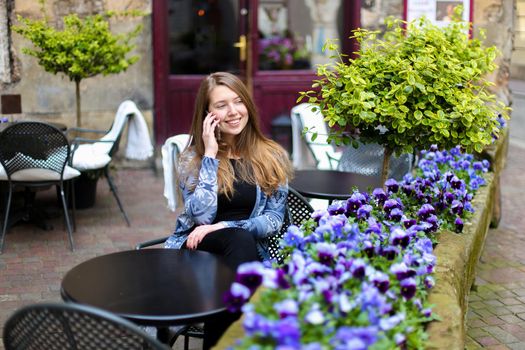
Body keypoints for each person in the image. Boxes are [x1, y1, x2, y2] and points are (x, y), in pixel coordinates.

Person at [164, 72, 293, 348]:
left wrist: (227, 226)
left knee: (239, 239)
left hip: (248, 251)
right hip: (200, 250)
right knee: (239, 242)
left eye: (238, 102)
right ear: (208, 114)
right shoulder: (193, 159)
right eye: (221, 105)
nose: (233, 112)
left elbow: (273, 220)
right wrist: (210, 155)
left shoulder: (272, 155)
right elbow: (201, 218)